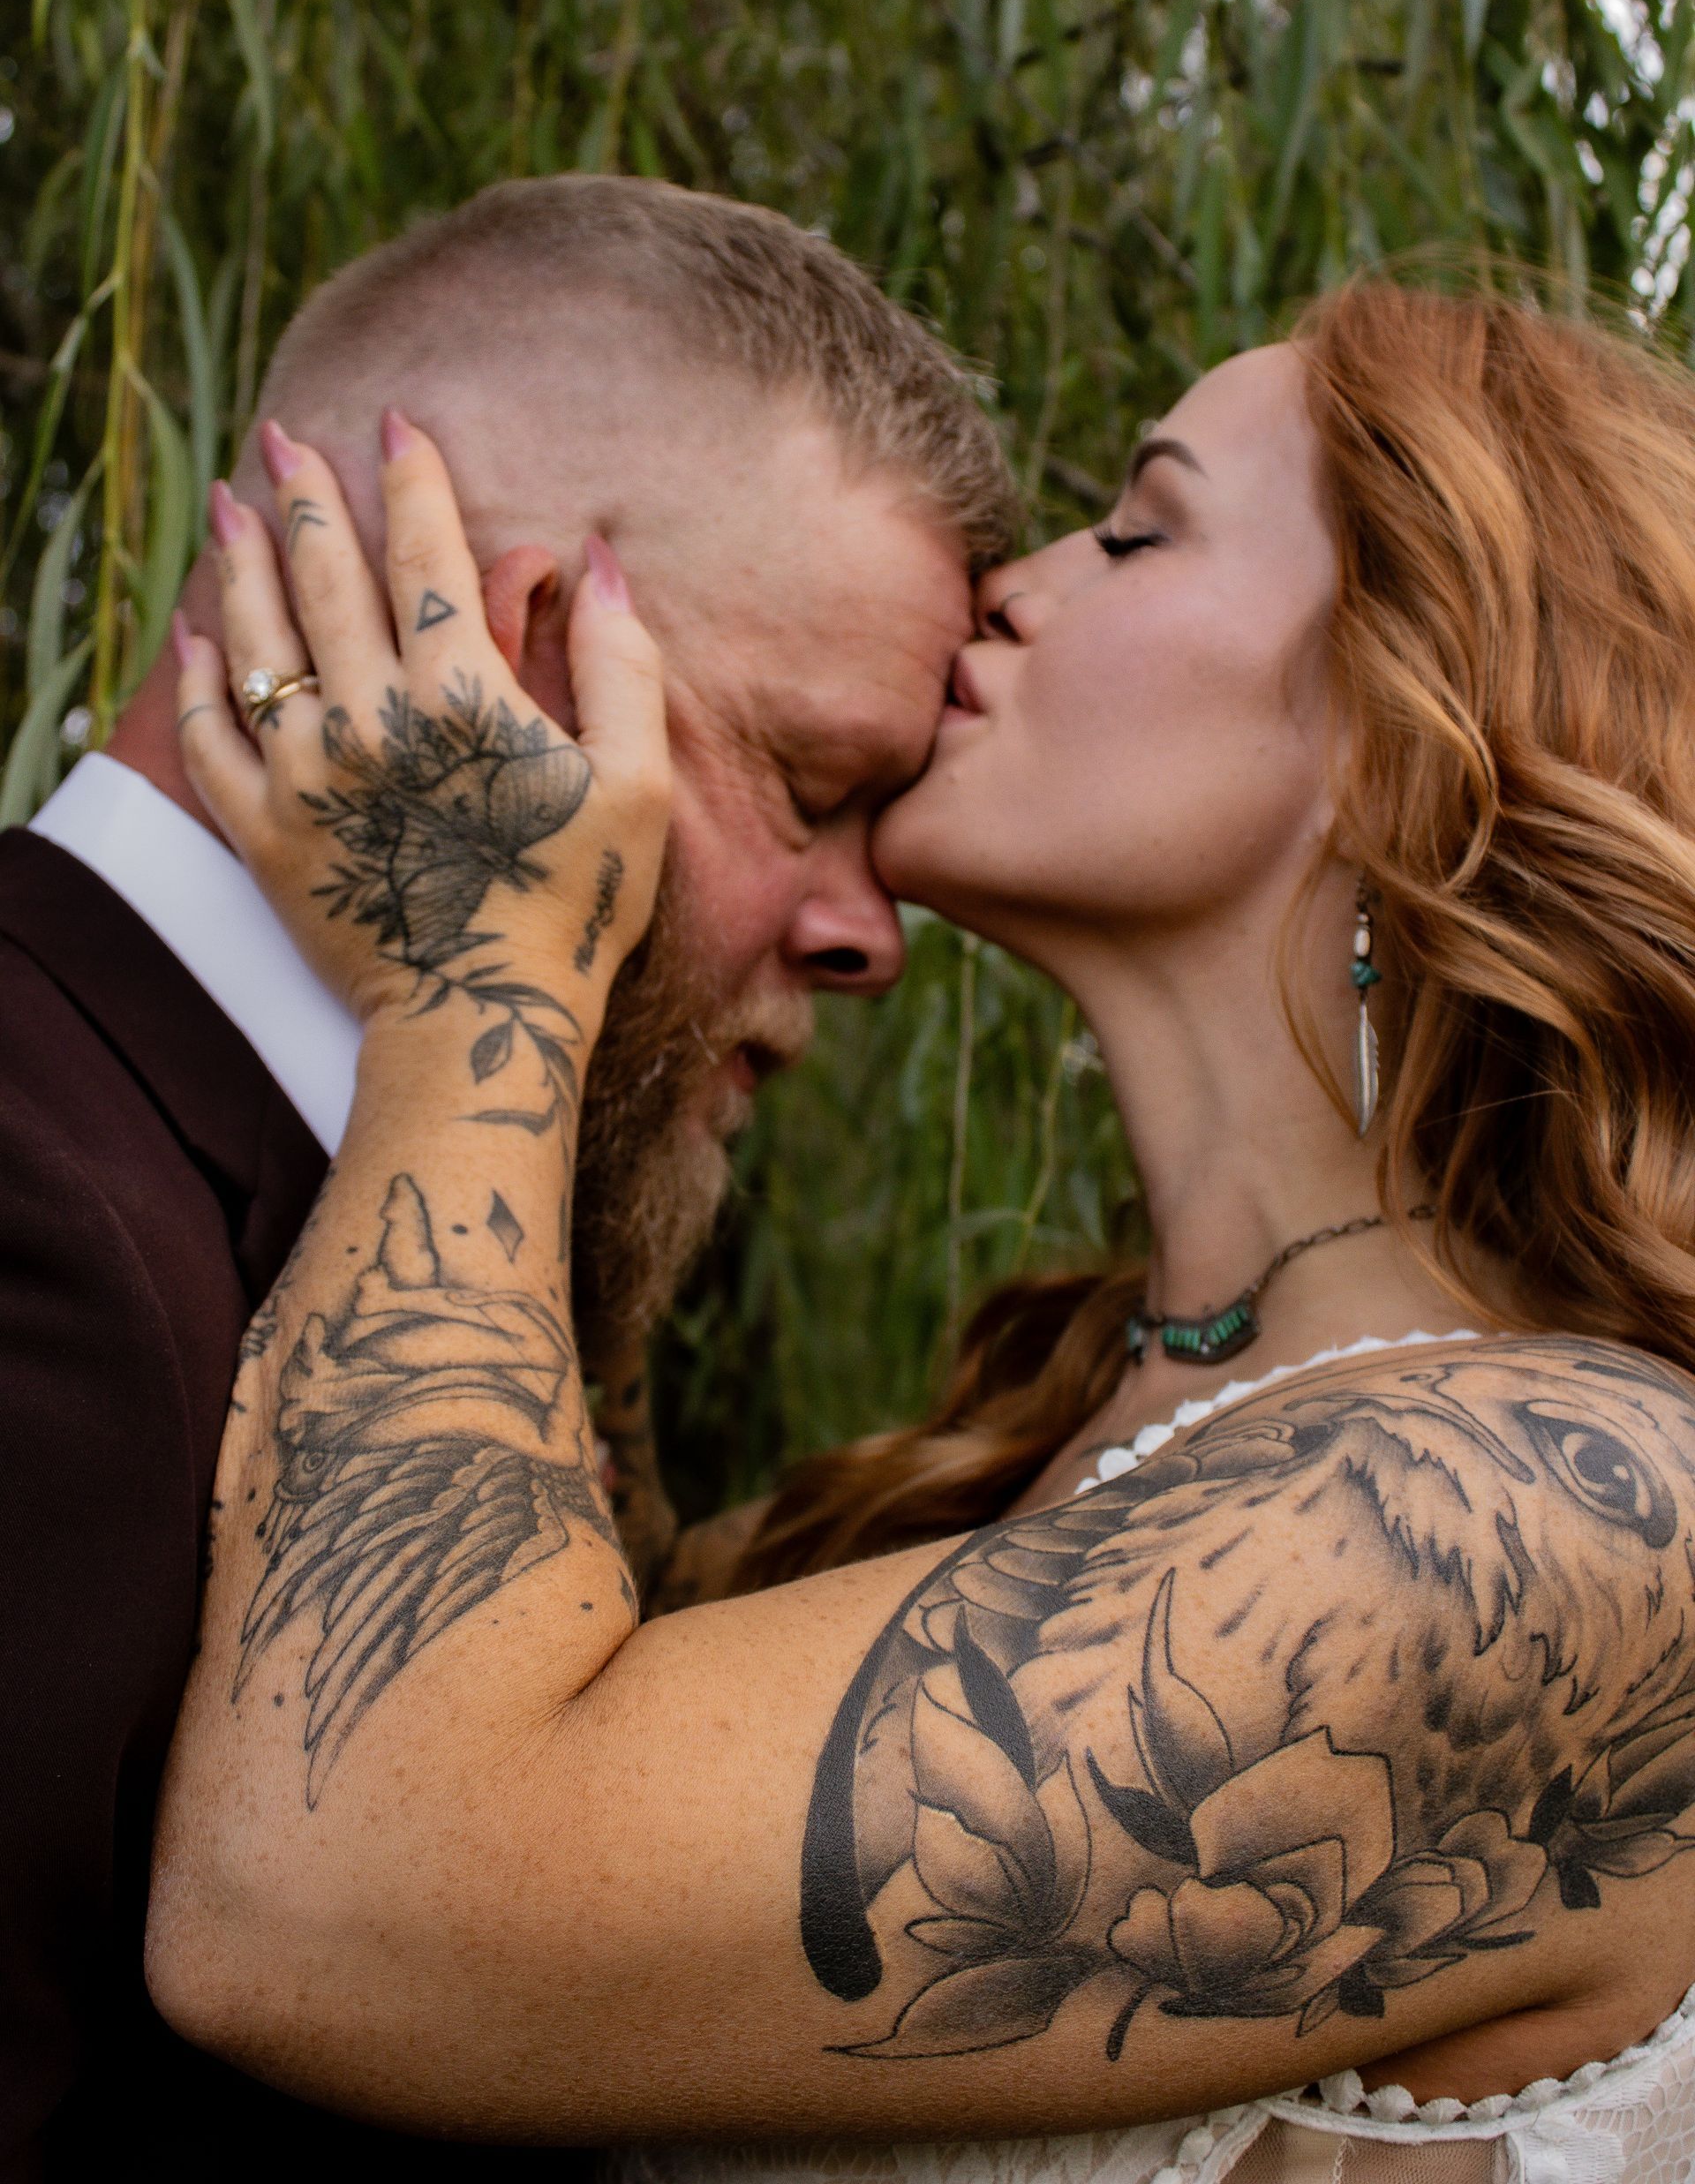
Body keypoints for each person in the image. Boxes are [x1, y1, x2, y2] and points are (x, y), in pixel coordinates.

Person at [148, 277, 1695, 2178]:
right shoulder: (1041, 1431)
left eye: (1140, 526)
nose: (1016, 586)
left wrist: (476, 977)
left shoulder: (1562, 1524)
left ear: (1401, 721)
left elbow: (336, 1901)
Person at [0, 174, 1012, 2176]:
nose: (872, 936)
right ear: (505, 660)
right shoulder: (50, 1229)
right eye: (812, 790)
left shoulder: (326, 1222)